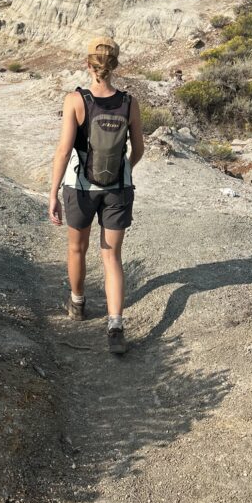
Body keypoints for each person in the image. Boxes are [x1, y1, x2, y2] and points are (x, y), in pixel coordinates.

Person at [49, 36, 144, 354]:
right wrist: (122, 169)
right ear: (115, 65)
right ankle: (116, 325)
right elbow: (140, 149)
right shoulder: (130, 102)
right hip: (118, 188)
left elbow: (63, 152)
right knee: (111, 256)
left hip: (79, 187)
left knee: (77, 248)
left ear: (87, 64)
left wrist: (52, 194)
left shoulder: (75, 100)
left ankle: (77, 304)